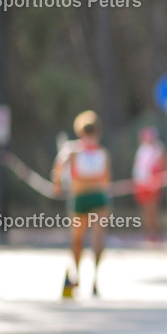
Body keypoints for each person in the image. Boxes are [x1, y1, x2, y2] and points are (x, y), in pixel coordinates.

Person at [52, 111, 112, 296]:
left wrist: (58, 185)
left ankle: (77, 275)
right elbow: (107, 179)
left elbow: (58, 167)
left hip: (80, 198)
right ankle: (94, 278)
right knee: (97, 238)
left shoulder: (72, 150)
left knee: (77, 239)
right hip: (99, 198)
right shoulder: (102, 152)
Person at [133, 126, 167, 240]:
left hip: (153, 183)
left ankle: (155, 231)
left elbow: (162, 164)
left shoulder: (158, 149)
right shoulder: (142, 149)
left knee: (153, 208)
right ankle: (148, 231)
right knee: (145, 208)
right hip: (142, 183)